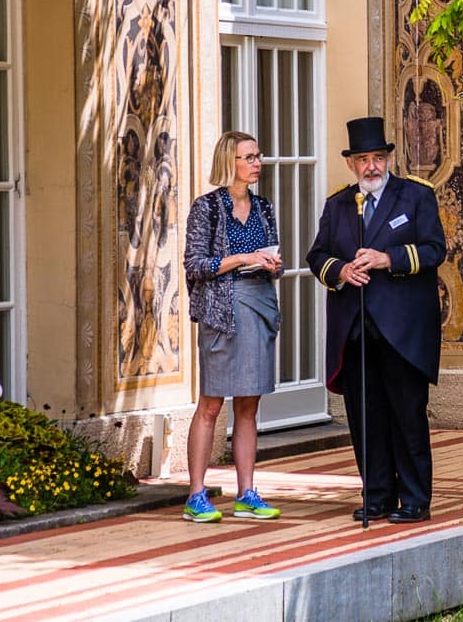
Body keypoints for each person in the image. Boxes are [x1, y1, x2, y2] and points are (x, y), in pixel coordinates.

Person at [307, 117, 447, 523]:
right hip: (355, 330)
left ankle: (416, 499)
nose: (371, 167)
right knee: (366, 419)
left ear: (388, 159)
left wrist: (389, 259)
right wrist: (340, 271)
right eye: (363, 159)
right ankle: (378, 495)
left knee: (407, 416)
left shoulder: (415, 197)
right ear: (351, 164)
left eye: (378, 158)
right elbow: (316, 256)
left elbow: (435, 249)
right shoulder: (338, 204)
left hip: (403, 330)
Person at [182, 131, 285, 522]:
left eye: (258, 156)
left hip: (258, 304)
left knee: (249, 403)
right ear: (231, 162)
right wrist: (241, 257)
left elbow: (275, 257)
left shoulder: (264, 208)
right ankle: (196, 495)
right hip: (221, 313)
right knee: (211, 403)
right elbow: (196, 265)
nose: (258, 162)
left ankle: (247, 493)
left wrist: (272, 263)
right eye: (250, 157)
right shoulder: (207, 208)